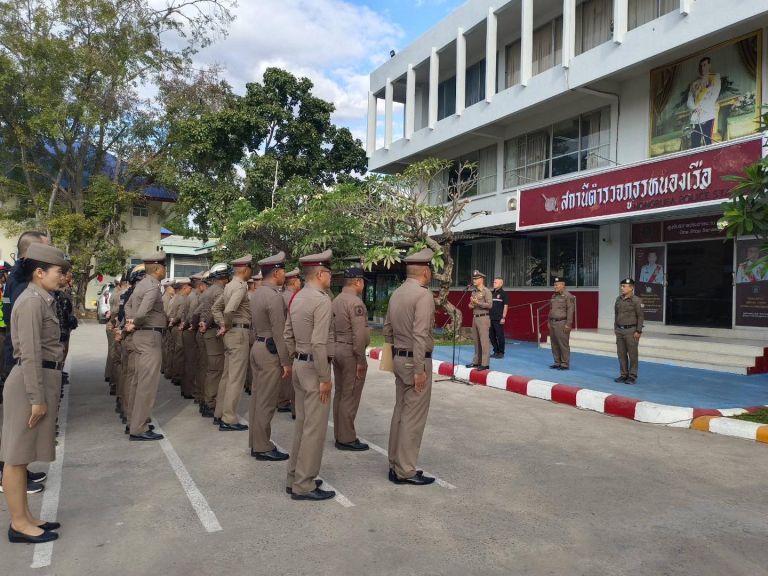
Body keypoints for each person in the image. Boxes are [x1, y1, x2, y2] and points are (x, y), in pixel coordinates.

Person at [0, 243, 70, 544]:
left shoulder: (43, 299)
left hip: (41, 378)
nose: (62, 277)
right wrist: (36, 398)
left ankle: (27, 518)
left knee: (24, 456)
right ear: (40, 272)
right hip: (30, 382)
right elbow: (28, 354)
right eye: (59, 272)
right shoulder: (31, 301)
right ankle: (18, 525)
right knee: (15, 458)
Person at [0, 231, 51, 496]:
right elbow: (28, 344)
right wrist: (37, 395)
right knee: (17, 437)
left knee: (18, 436)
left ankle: (19, 471)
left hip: (14, 357)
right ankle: (12, 475)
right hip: (17, 360)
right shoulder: (24, 286)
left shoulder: (19, 278)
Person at [283, 249, 336, 501]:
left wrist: (297, 356)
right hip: (315, 368)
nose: (330, 278)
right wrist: (325, 377)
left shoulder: (297, 296)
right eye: (329, 273)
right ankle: (304, 484)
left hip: (300, 365)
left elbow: (287, 334)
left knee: (303, 425)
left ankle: (294, 476)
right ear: (320, 273)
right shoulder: (322, 299)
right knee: (314, 429)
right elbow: (319, 343)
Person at [384, 248, 436, 485]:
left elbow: (387, 329)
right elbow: (420, 334)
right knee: (413, 417)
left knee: (400, 412)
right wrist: (419, 370)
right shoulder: (423, 295)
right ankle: (405, 470)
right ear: (426, 271)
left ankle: (394, 463)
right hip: (416, 359)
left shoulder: (397, 293)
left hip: (398, 357)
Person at [248, 252, 292, 461]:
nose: (285, 275)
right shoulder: (274, 296)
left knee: (257, 399)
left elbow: (255, 325)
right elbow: (279, 331)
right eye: (283, 271)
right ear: (276, 272)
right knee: (266, 402)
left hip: (258, 346)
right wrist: (286, 361)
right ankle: (263, 446)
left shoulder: (257, 293)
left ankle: (255, 442)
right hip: (270, 350)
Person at [124, 252, 168, 441]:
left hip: (140, 335)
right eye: (164, 267)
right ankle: (139, 428)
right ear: (158, 269)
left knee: (137, 381)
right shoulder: (152, 286)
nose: (165, 270)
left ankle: (132, 421)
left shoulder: (141, 284)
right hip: (149, 334)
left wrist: (130, 321)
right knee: (146, 384)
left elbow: (127, 306)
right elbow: (144, 310)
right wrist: (137, 320)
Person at [211, 255, 252, 431]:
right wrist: (225, 325)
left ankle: (219, 413)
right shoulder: (241, 286)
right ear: (245, 270)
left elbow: (216, 308)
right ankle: (229, 418)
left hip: (230, 334)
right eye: (250, 268)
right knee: (236, 378)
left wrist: (222, 325)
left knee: (227, 376)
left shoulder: (228, 286)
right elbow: (228, 310)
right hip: (238, 332)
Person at [331, 268, 370, 451]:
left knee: (340, 393)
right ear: (357, 281)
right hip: (350, 352)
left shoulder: (336, 299)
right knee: (350, 394)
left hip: (337, 348)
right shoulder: (355, 302)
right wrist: (361, 360)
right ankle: (346, 438)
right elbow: (359, 335)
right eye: (363, 281)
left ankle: (339, 434)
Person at [198, 263, 232, 418]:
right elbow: (215, 311)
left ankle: (206, 401)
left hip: (208, 333)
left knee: (209, 369)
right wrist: (207, 324)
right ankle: (210, 403)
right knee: (216, 371)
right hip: (214, 333)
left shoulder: (209, 290)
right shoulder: (219, 291)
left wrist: (203, 323)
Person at [118, 264, 146, 434]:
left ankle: (127, 412)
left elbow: (122, 314)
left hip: (127, 334)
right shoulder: (137, 293)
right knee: (134, 378)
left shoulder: (129, 293)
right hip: (133, 336)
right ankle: (131, 416)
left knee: (129, 376)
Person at [277, 268, 301, 416]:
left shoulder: (285, 295)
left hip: (285, 337)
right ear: (294, 281)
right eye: (298, 280)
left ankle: (283, 401)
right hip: (288, 338)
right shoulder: (290, 297)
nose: (300, 282)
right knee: (289, 374)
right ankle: (285, 402)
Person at [614, 278, 644, 385]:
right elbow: (616, 314)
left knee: (632, 354)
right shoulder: (618, 299)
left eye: (624, 286)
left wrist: (638, 331)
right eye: (621, 286)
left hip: (631, 330)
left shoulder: (637, 300)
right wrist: (615, 328)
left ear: (631, 287)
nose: (622, 288)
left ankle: (632, 376)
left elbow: (640, 317)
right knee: (621, 354)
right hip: (620, 330)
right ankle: (623, 375)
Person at [686, 56, 721, 148]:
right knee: (695, 144)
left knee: (707, 142)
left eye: (705, 65)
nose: (702, 68)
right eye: (701, 66)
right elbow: (689, 100)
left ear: (709, 65)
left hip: (707, 114)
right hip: (695, 117)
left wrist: (702, 110)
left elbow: (714, 95)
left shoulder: (715, 77)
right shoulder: (694, 84)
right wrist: (694, 109)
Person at [465, 270, 492, 372]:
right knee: (476, 341)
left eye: (476, 279)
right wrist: (471, 305)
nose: (474, 280)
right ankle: (476, 361)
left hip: (483, 318)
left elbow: (490, 305)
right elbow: (472, 304)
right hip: (475, 317)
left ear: (482, 279)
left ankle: (485, 364)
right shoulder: (474, 291)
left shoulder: (486, 291)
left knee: (484, 341)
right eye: (474, 279)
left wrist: (478, 303)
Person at [189, 273, 208, 406]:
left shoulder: (202, 295)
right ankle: (202, 396)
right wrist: (195, 326)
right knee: (205, 367)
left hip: (201, 331)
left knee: (202, 365)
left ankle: (200, 394)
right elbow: (195, 313)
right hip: (205, 332)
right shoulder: (205, 296)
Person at [548, 278, 575, 371]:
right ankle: (557, 362)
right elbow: (551, 309)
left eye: (557, 285)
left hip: (562, 322)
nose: (555, 287)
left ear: (563, 285)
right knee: (554, 343)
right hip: (553, 322)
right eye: (554, 285)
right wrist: (549, 321)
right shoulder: (554, 296)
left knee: (563, 344)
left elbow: (570, 311)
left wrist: (568, 324)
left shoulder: (568, 296)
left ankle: (565, 364)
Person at [167, 279, 188, 388]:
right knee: (179, 352)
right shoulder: (182, 298)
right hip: (178, 325)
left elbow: (170, 313)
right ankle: (177, 376)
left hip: (173, 326)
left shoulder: (174, 299)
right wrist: (174, 321)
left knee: (176, 351)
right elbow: (180, 315)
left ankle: (175, 374)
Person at [489, 277, 508, 359]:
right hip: (490, 318)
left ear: (501, 284)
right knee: (491, 336)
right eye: (494, 282)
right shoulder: (491, 293)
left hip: (498, 318)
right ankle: (496, 351)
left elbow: (506, 306)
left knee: (500, 336)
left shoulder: (504, 294)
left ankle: (501, 352)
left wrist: (503, 317)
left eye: (496, 282)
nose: (494, 284)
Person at [160, 279, 174, 378]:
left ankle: (164, 367)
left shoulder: (167, 296)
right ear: (168, 288)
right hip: (165, 325)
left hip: (165, 324)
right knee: (166, 348)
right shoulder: (167, 298)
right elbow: (165, 313)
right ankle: (165, 368)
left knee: (166, 347)